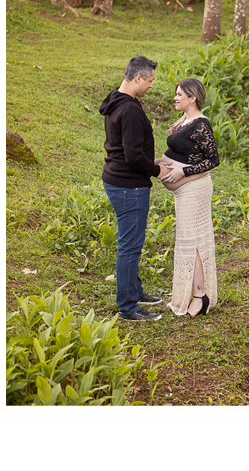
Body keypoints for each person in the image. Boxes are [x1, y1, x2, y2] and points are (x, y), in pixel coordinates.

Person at [100, 55, 171, 322]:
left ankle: (135, 291)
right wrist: (156, 170)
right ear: (138, 78)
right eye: (150, 80)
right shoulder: (128, 109)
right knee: (130, 246)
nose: (152, 85)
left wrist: (149, 161)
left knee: (132, 243)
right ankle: (128, 307)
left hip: (119, 180)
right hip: (129, 186)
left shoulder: (118, 99)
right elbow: (131, 155)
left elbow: (126, 148)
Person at [158, 77, 220, 317]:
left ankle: (199, 297)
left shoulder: (201, 124)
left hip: (195, 191)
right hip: (185, 192)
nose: (175, 97)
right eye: (175, 93)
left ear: (192, 98)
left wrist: (182, 171)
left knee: (192, 242)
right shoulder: (185, 121)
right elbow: (181, 152)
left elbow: (213, 160)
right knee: (188, 240)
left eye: (180, 94)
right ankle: (196, 294)